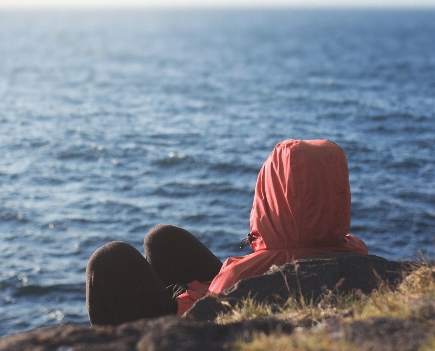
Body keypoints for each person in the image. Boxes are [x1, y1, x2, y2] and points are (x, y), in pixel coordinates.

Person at [86, 139, 368, 325]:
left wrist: (187, 298)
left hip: (195, 332)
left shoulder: (239, 278)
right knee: (163, 240)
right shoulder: (356, 251)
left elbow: (207, 317)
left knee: (110, 259)